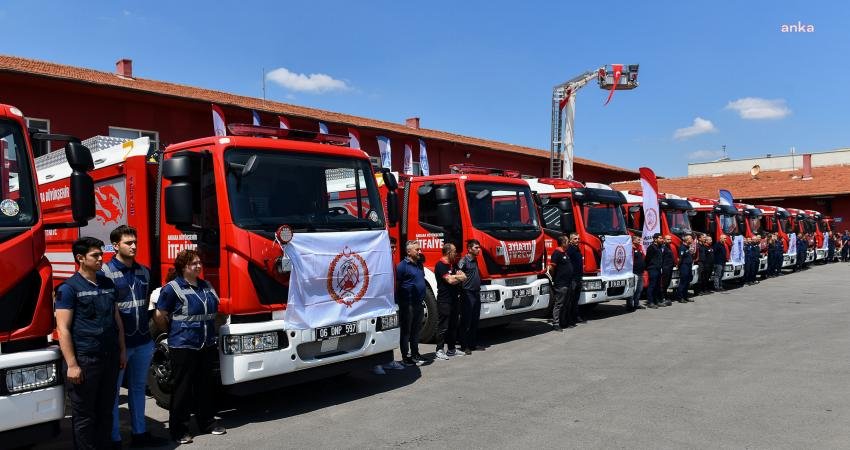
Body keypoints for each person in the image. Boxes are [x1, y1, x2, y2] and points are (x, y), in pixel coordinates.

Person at [55, 237, 127, 450]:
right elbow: (63, 329)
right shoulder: (68, 289)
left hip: (110, 357)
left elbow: (117, 320)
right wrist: (73, 364)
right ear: (80, 258)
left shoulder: (107, 283)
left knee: (105, 410)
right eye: (95, 255)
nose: (100, 259)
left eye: (100, 254)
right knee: (84, 415)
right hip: (86, 360)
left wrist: (122, 351)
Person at [154, 249, 225, 444]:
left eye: (199, 262)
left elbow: (214, 312)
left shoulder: (206, 286)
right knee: (182, 389)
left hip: (206, 343)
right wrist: (173, 333)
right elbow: (160, 316)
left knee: (205, 386)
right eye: (194, 263)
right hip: (183, 345)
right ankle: (179, 430)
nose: (199, 266)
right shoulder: (172, 288)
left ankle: (207, 422)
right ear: (184, 267)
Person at [102, 226, 164, 448]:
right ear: (116, 245)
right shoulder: (105, 273)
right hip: (120, 345)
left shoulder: (144, 272)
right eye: (129, 243)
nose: (134, 246)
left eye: (135, 242)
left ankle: (140, 434)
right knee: (114, 393)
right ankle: (114, 438)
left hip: (143, 342)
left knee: (138, 389)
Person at [394, 240, 426, 366]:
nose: (420, 251)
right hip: (408, 304)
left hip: (419, 303)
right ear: (408, 251)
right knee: (406, 331)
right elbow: (397, 285)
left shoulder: (419, 265)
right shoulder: (402, 266)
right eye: (417, 250)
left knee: (416, 330)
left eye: (419, 249)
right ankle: (405, 356)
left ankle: (415, 354)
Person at [434, 243, 466, 360]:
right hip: (444, 300)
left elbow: (464, 276)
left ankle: (451, 350)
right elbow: (451, 281)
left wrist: (456, 277)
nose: (456, 253)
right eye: (454, 251)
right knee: (443, 326)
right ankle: (439, 350)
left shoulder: (453, 265)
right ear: (448, 253)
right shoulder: (440, 265)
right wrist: (457, 278)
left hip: (454, 299)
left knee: (453, 325)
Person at [457, 239, 483, 351]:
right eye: (476, 247)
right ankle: (464, 345)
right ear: (469, 249)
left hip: (476, 293)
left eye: (479, 247)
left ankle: (472, 344)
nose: (478, 250)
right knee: (466, 320)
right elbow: (458, 275)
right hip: (467, 293)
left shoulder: (475, 260)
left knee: (474, 320)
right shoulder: (463, 261)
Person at [548, 235, 574, 328]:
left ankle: (564, 323)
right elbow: (551, 268)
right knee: (559, 304)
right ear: (563, 243)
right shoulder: (557, 253)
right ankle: (555, 324)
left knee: (566, 304)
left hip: (567, 283)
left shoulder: (565, 253)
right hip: (561, 283)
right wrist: (554, 278)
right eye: (567, 241)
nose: (569, 243)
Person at [566, 233, 585, 323]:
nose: (577, 240)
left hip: (578, 277)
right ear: (570, 240)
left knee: (576, 299)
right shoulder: (569, 250)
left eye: (578, 239)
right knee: (571, 299)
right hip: (573, 278)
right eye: (575, 239)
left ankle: (576, 316)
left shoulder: (577, 249)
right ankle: (570, 318)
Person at [644, 233, 664, 308]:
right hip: (652, 269)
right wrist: (649, 267)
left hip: (658, 269)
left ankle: (656, 301)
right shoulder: (651, 247)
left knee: (657, 286)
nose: (661, 240)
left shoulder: (659, 247)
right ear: (655, 239)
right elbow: (647, 259)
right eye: (660, 238)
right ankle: (650, 302)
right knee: (652, 285)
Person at [628, 235, 646, 311]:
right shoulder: (630, 249)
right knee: (633, 289)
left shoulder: (639, 248)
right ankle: (629, 305)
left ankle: (636, 303)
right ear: (633, 241)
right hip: (634, 272)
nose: (640, 241)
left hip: (640, 272)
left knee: (639, 289)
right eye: (638, 240)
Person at [677, 234, 695, 302]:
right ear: (686, 240)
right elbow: (680, 258)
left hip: (689, 266)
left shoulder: (688, 247)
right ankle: (680, 297)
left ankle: (685, 296)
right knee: (683, 282)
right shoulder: (682, 247)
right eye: (690, 238)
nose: (692, 240)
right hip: (684, 267)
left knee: (687, 282)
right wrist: (679, 266)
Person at [660, 235, 675, 305]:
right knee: (664, 283)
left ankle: (665, 296)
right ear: (664, 240)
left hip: (669, 267)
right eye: (668, 239)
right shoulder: (663, 247)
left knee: (667, 283)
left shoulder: (669, 247)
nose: (670, 241)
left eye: (670, 239)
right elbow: (661, 258)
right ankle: (662, 297)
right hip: (665, 268)